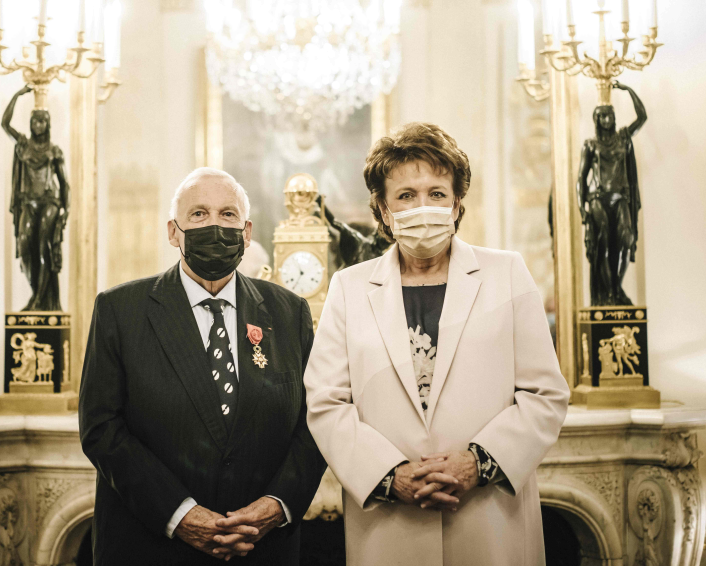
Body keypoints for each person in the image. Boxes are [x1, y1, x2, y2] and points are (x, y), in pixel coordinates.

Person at [304, 122, 570, 566]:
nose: (422, 206)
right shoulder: (348, 288)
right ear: (384, 211)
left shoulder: (506, 273)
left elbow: (545, 394)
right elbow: (326, 402)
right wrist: (391, 475)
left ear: (457, 205)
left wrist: (479, 463)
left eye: (437, 193)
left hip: (489, 517)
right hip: (389, 522)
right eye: (406, 195)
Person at [79, 168, 327, 565]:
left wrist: (276, 504)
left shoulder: (288, 312)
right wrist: (181, 515)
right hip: (151, 546)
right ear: (173, 232)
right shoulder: (119, 311)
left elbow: (315, 420)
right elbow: (101, 428)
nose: (214, 225)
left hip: (261, 547)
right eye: (198, 214)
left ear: (246, 233)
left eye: (227, 215)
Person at [577, 81, 646, 306]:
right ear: (597, 119)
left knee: (627, 240)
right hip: (598, 199)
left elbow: (642, 116)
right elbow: (581, 179)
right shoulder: (591, 145)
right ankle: (609, 293)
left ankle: (617, 288)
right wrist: (582, 209)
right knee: (604, 243)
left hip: (620, 199)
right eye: (603, 116)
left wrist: (628, 89)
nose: (607, 119)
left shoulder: (623, 138)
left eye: (610, 115)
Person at [2, 85, 70, 311]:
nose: (37, 125)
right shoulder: (23, 144)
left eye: (42, 121)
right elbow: (4, 123)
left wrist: (66, 211)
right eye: (35, 121)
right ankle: (36, 294)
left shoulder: (54, 151)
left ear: (47, 124)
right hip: (28, 203)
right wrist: (17, 94)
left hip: (50, 202)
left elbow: (64, 183)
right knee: (24, 246)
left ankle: (38, 301)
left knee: (43, 247)